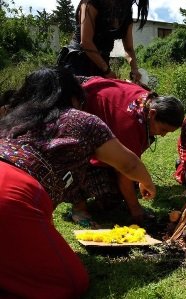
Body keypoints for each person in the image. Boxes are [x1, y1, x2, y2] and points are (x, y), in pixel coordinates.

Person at [0, 67, 156, 298]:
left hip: (12, 193)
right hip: (14, 192)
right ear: (74, 96)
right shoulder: (81, 119)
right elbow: (129, 164)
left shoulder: (13, 116)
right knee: (70, 282)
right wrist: (147, 183)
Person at [75, 76, 185, 225]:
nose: (163, 135)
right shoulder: (129, 123)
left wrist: (140, 179)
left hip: (98, 104)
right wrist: (136, 210)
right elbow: (126, 167)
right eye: (163, 129)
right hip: (77, 107)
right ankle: (79, 207)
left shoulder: (148, 102)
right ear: (152, 114)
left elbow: (131, 159)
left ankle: (104, 199)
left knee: (115, 194)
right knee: (78, 159)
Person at [58, 0, 148, 81]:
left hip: (102, 65)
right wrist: (107, 71)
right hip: (78, 63)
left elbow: (128, 48)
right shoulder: (91, 2)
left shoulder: (125, 11)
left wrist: (134, 69)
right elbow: (86, 42)